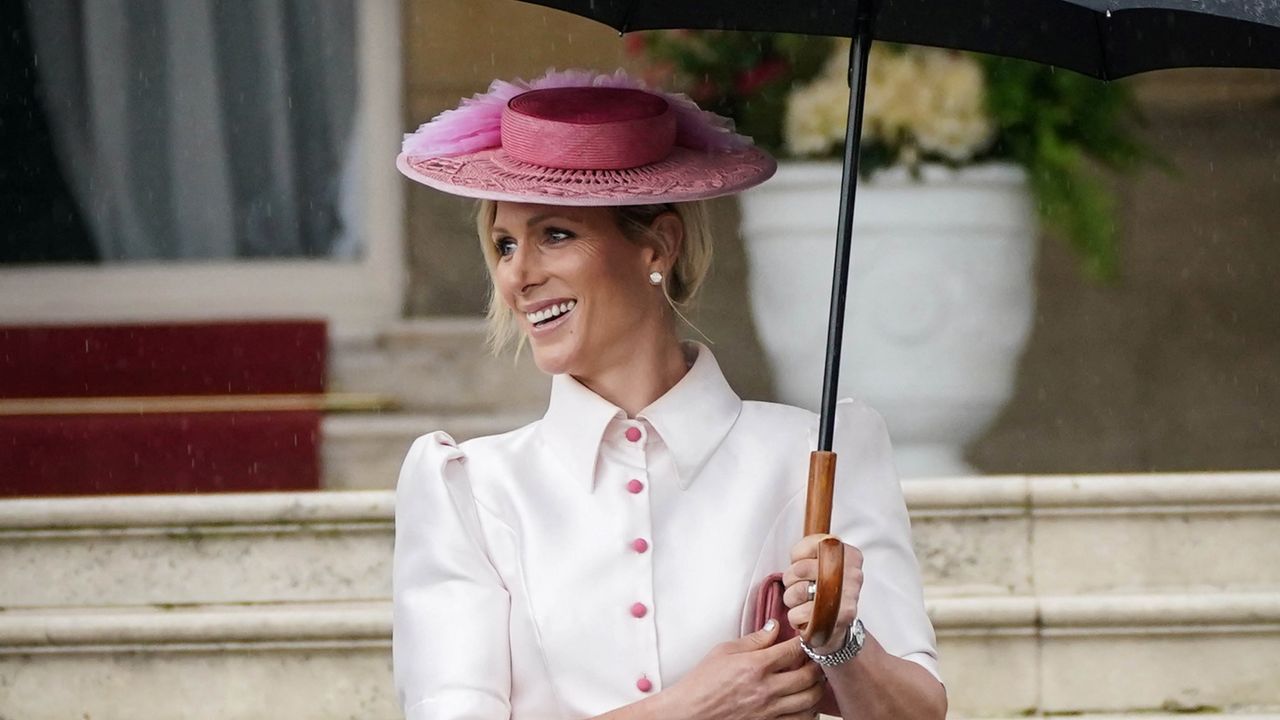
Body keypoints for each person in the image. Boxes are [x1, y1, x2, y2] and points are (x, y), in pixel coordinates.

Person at [392, 68, 946, 720]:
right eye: (505, 244)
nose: (518, 275)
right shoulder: (470, 489)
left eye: (555, 235)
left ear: (658, 244)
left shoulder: (817, 455)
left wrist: (839, 640)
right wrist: (692, 709)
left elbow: (918, 712)